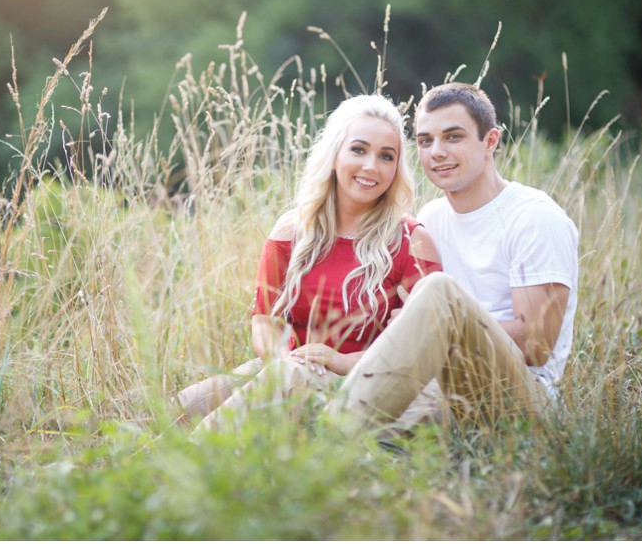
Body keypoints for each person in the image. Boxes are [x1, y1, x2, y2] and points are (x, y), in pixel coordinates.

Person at [173, 95, 443, 433]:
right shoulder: (292, 230)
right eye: (358, 150)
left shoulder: (411, 241)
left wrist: (339, 362)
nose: (371, 166)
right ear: (334, 155)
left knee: (244, 404)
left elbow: (419, 353)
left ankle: (174, 481)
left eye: (386, 156)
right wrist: (284, 362)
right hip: (295, 371)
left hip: (374, 388)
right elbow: (265, 324)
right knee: (181, 409)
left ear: (396, 169)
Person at [325, 82, 579, 432]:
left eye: (453, 137)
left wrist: (432, 323)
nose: (436, 152)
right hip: (440, 390)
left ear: (490, 141)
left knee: (439, 292)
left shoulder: (535, 217)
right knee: (304, 388)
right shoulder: (430, 220)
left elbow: (536, 345)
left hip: (521, 405)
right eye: (426, 141)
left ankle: (329, 441)